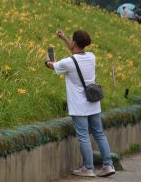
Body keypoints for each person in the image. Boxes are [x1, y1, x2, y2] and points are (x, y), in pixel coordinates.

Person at [45, 29, 116, 177]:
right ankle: (108, 165)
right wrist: (64, 38)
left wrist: (47, 61)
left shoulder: (68, 62)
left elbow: (53, 66)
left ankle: (88, 168)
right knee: (99, 134)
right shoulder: (91, 57)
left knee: (83, 136)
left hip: (79, 106)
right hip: (93, 103)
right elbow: (75, 50)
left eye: (71, 40)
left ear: (75, 42)